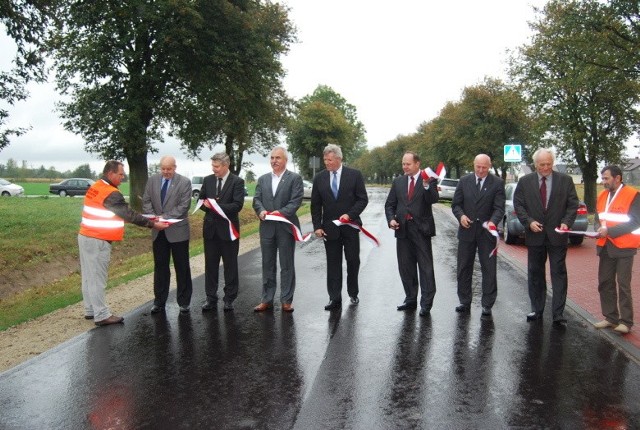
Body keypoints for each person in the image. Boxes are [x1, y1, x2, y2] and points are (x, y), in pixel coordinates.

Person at [78, 160, 168, 326]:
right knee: (98, 277)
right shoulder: (111, 193)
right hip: (98, 238)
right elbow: (128, 214)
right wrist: (153, 224)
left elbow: (109, 212)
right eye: (120, 174)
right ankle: (102, 314)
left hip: (86, 236)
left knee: (89, 276)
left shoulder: (96, 186)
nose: (123, 177)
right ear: (110, 173)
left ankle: (90, 309)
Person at [514, 148, 579, 327]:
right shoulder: (525, 182)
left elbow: (572, 205)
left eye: (549, 164)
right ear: (535, 165)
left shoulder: (565, 181)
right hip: (535, 235)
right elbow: (518, 205)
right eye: (542, 165)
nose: (546, 168)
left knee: (558, 274)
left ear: (553, 162)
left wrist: (567, 222)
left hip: (557, 235)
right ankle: (537, 309)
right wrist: (529, 222)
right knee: (535, 273)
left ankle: (558, 314)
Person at [311, 143, 368, 310]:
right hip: (330, 229)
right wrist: (317, 226)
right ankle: (334, 298)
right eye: (325, 160)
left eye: (329, 160)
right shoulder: (319, 178)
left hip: (350, 228)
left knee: (352, 261)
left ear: (338, 158)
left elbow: (362, 199)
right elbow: (315, 205)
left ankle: (353, 292)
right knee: (333, 264)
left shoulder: (354, 175)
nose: (327, 163)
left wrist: (350, 215)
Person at [384, 151, 439, 317]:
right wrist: (391, 219)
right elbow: (390, 205)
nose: (405, 167)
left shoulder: (428, 179)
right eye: (403, 164)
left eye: (408, 164)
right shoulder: (398, 182)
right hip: (402, 230)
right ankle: (410, 299)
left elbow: (433, 199)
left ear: (417, 164)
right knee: (406, 268)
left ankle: (426, 304)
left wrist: (427, 185)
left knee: (425, 268)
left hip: (421, 230)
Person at [451, 154, 505, 317]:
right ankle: (464, 301)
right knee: (463, 267)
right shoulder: (464, 181)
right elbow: (456, 204)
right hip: (467, 231)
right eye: (478, 167)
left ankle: (487, 304)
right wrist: (461, 216)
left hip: (486, 234)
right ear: (474, 165)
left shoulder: (497, 183)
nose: (481, 170)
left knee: (489, 269)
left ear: (489, 166)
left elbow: (499, 208)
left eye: (484, 167)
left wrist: (493, 222)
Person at [252, 146, 304, 312]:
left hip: (285, 228)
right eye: (272, 158)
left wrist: (280, 213)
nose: (274, 161)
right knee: (267, 264)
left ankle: (286, 300)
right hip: (266, 228)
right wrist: (260, 211)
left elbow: (295, 201)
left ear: (285, 160)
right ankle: (266, 299)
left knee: (286, 264)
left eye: (278, 158)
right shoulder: (263, 179)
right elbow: (256, 200)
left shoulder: (294, 178)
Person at [142, 155, 193, 314]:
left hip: (178, 231)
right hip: (158, 232)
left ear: (175, 167)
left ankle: (184, 302)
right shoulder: (152, 181)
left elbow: (184, 206)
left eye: (169, 169)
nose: (166, 172)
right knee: (160, 267)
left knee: (182, 266)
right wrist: (155, 219)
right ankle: (159, 301)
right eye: (163, 169)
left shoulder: (184, 182)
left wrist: (165, 217)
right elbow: (146, 201)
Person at [592, 165, 640, 334]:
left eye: (606, 178)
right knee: (605, 282)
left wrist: (609, 231)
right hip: (605, 245)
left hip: (625, 246)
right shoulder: (602, 195)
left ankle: (626, 322)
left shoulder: (633, 194)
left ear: (617, 178)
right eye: (602, 178)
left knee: (623, 284)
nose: (603, 181)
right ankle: (610, 317)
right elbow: (599, 218)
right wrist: (597, 228)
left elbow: (635, 221)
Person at [199, 152, 245, 312]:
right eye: (213, 166)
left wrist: (216, 207)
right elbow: (201, 200)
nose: (214, 169)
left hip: (229, 231)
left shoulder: (237, 182)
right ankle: (210, 298)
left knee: (230, 266)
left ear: (226, 166)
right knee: (210, 266)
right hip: (210, 231)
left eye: (217, 166)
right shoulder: (208, 180)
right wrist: (205, 205)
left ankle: (229, 299)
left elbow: (237, 205)